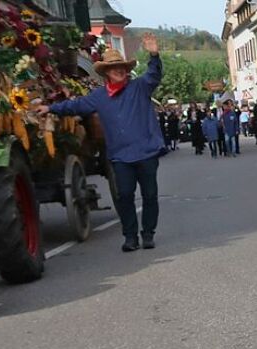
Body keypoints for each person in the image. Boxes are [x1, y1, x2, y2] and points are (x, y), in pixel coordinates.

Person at [37, 34, 164, 253]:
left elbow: (154, 74)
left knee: (150, 195)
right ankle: (131, 236)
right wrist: (50, 108)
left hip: (146, 151)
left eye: (122, 67)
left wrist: (153, 54)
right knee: (124, 196)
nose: (119, 70)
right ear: (105, 72)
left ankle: (148, 233)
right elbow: (75, 106)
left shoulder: (140, 87)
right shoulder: (99, 96)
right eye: (114, 68)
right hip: (121, 155)